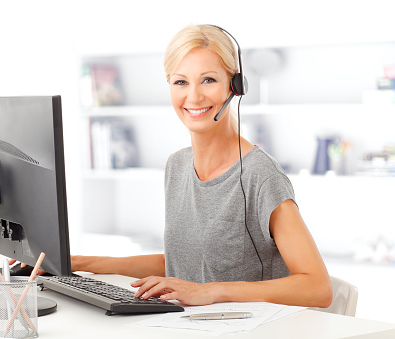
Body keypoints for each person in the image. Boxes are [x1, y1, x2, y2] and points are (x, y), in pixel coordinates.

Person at [74, 24, 333, 308]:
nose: (194, 97)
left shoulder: (261, 175)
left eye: (208, 80)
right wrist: (77, 263)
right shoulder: (177, 165)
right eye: (180, 82)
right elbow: (181, 263)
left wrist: (211, 291)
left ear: (234, 86)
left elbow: (317, 288)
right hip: (191, 325)